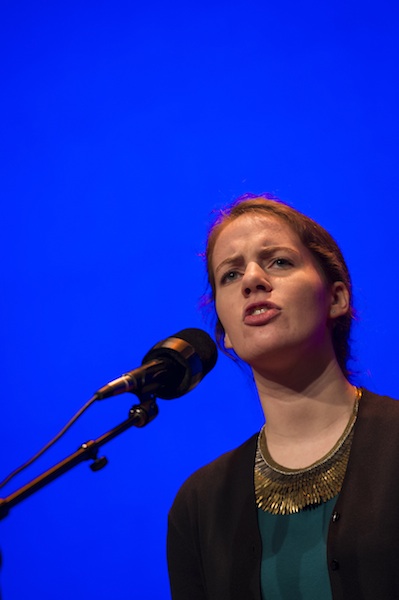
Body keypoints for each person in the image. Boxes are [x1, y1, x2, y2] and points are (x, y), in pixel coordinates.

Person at [166, 193, 399, 600]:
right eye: (231, 275)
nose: (253, 279)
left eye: (279, 262)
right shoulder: (200, 506)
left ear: (336, 298)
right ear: (226, 337)